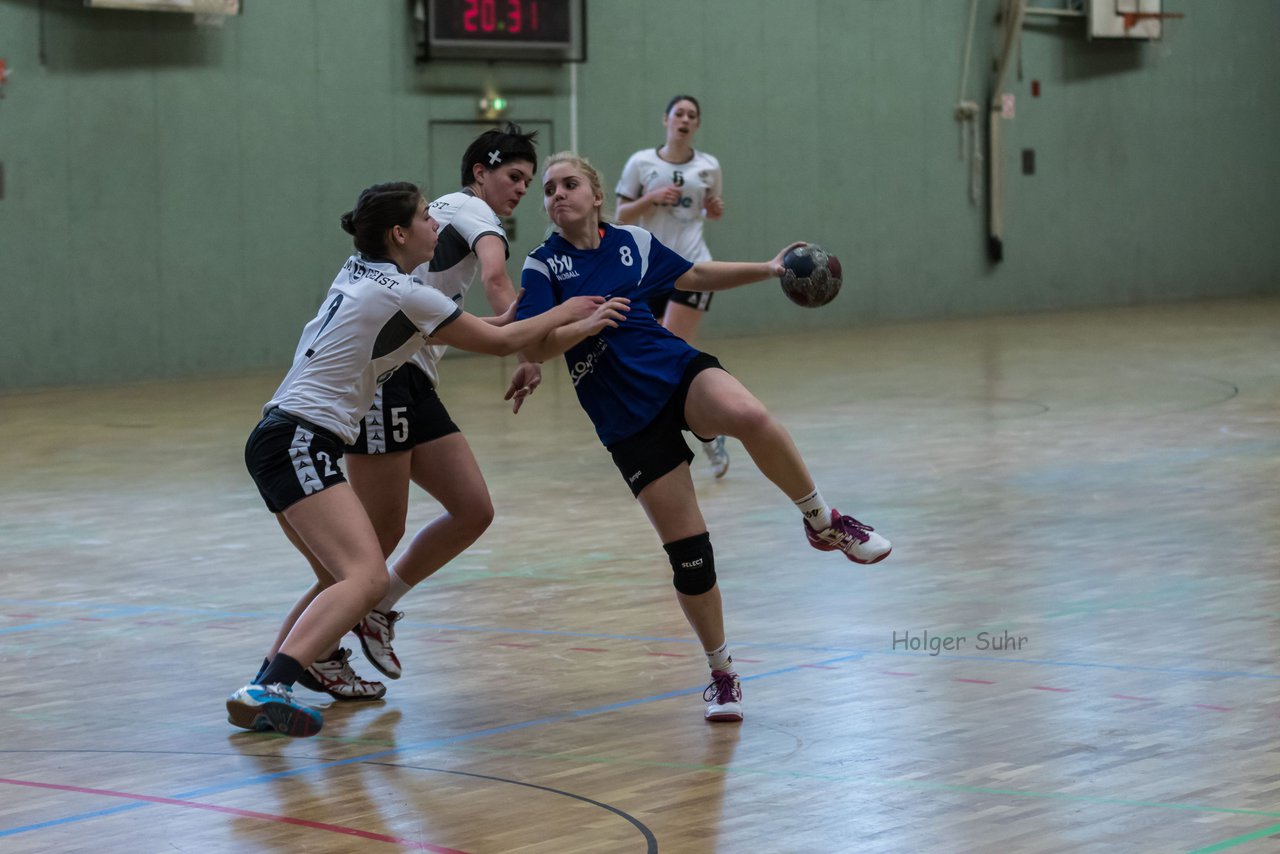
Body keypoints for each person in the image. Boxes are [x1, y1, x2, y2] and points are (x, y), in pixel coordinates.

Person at [229, 180, 627, 737]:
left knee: (339, 576)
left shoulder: (362, 272)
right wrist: (569, 313)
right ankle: (268, 686)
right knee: (365, 576)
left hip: (283, 436)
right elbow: (497, 343)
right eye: (422, 218)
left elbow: (477, 330)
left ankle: (266, 684)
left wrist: (559, 323)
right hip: (301, 437)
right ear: (398, 234)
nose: (434, 226)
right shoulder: (400, 291)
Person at [519, 153, 892, 724]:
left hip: (670, 367)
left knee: (751, 417)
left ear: (596, 195)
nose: (557, 195)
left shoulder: (633, 243)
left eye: (569, 184)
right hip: (624, 415)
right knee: (691, 558)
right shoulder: (542, 266)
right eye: (548, 189)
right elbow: (535, 344)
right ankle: (722, 674)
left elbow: (693, 276)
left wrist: (769, 268)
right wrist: (584, 326)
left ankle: (824, 522)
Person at [296, 124, 547, 701]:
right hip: (389, 379)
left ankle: (377, 609)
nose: (520, 191)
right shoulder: (471, 211)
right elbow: (495, 279)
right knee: (372, 541)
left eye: (528, 183)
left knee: (472, 509)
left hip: (418, 378)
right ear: (480, 172)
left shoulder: (440, 218)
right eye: (514, 177)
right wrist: (531, 348)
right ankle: (307, 655)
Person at [615, 94, 729, 478]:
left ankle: (697, 434)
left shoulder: (709, 165)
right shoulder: (641, 163)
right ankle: (706, 430)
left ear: (697, 124)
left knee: (667, 351)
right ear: (665, 119)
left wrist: (712, 210)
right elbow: (620, 214)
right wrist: (649, 198)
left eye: (692, 115)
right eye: (678, 113)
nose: (684, 119)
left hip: (695, 265)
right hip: (650, 270)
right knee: (656, 357)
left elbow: (708, 209)